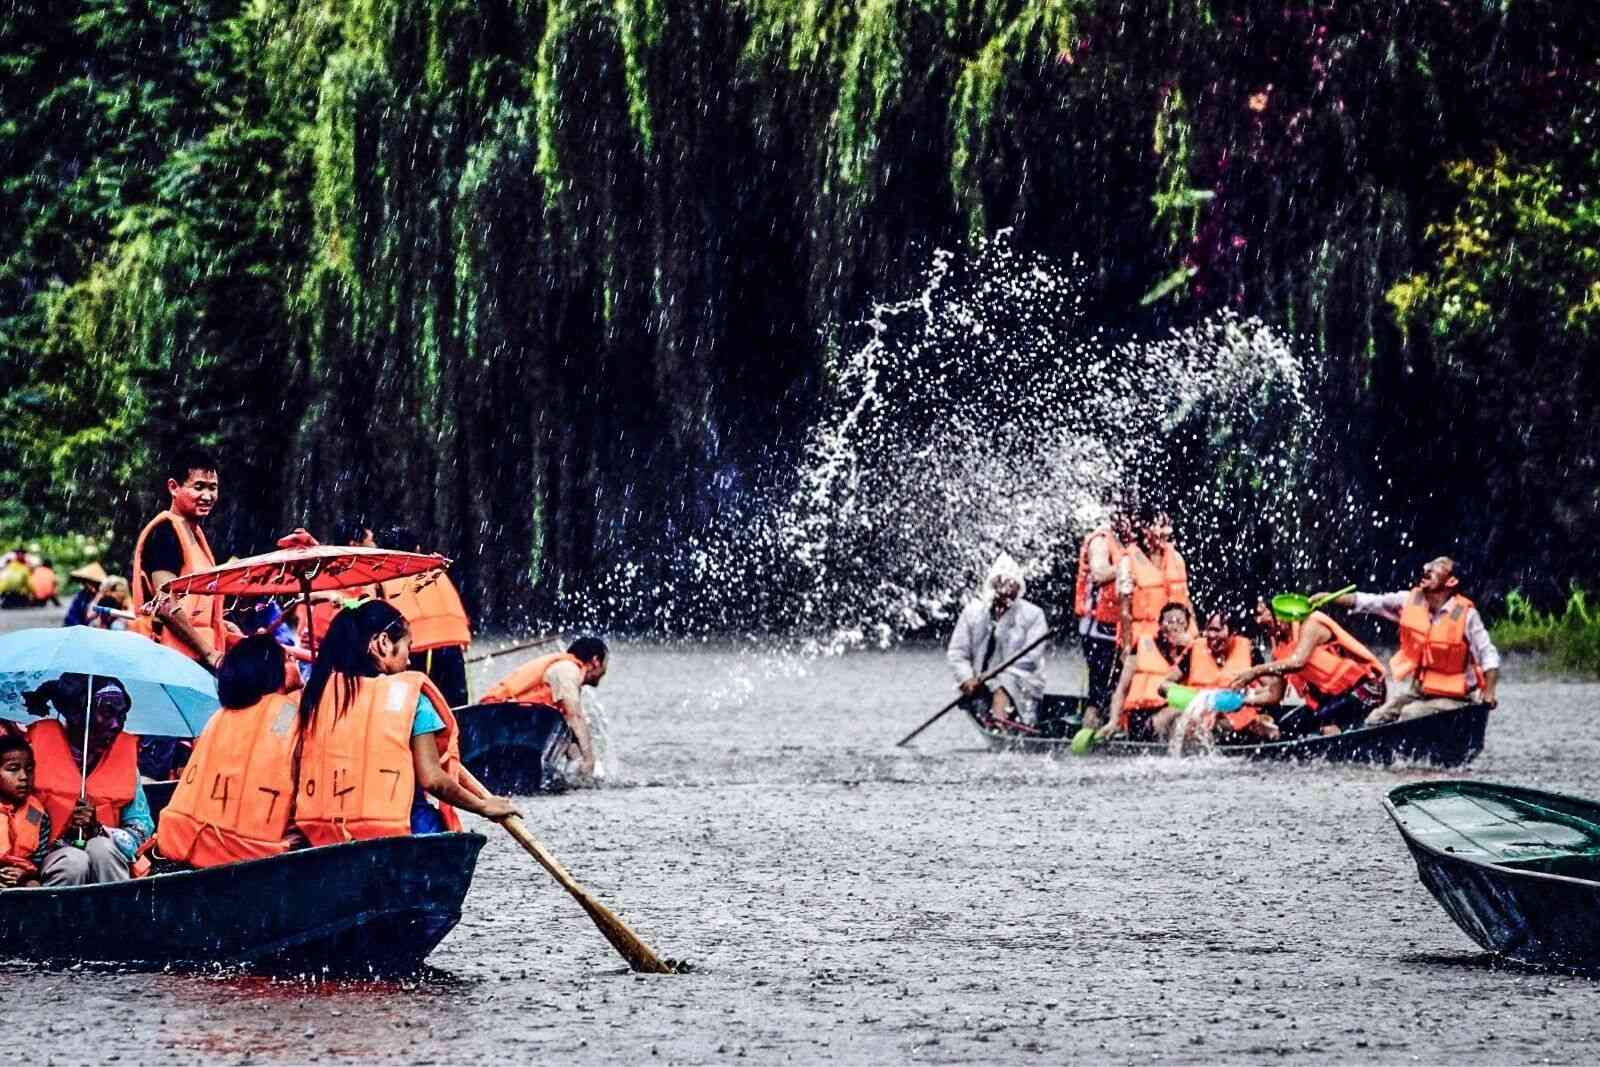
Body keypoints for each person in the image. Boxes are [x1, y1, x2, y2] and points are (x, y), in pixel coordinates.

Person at [294, 601, 517, 845]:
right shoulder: (412, 699)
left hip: (325, 836)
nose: (409, 661)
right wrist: (483, 806)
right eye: (407, 648)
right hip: (399, 834)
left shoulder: (312, 697)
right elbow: (433, 779)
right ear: (383, 643)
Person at [156, 636, 303, 866]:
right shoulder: (287, 714)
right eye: (288, 659)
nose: (296, 662)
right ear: (273, 672)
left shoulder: (219, 716)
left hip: (186, 843)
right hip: (251, 852)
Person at [1324, 557, 1500, 724]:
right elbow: (1370, 602)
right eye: (1428, 566)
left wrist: (1489, 693)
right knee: (1375, 719)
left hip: (1458, 697)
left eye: (1435, 568)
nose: (1427, 570)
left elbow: (1489, 656)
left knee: (1411, 714)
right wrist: (1329, 598)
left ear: (1451, 582)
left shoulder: (1465, 615)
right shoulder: (1411, 601)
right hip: (1421, 691)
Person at [24, 675, 153, 886]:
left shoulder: (126, 762)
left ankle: (118, 916)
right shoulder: (30, 755)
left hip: (109, 857)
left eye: (121, 716)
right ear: (76, 714)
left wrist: (100, 830)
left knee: (101, 848)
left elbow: (141, 827)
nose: (115, 725)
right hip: (46, 860)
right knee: (74, 861)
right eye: (107, 713)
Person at [1228, 597, 1386, 736]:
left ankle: (1347, 740)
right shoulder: (1279, 652)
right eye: (1255, 616)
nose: (1258, 621)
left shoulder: (1311, 624)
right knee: (1287, 726)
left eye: (1260, 613)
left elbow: (1298, 662)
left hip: (1367, 689)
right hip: (1333, 701)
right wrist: (1243, 700)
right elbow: (1274, 695)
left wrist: (1255, 672)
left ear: (1279, 612)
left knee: (1325, 722)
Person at [131, 447, 228, 668]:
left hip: (195, 656)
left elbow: (196, 607)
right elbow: (165, 604)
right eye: (198, 487)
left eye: (213, 488)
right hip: (173, 659)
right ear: (173, 487)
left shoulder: (194, 533)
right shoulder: (165, 532)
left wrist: (222, 626)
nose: (207, 496)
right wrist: (209, 652)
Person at [481, 636, 610, 777]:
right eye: (606, 663)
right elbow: (575, 717)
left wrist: (578, 759)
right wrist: (589, 760)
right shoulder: (568, 669)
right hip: (497, 714)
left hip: (506, 718)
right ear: (596, 661)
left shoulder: (567, 670)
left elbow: (570, 727)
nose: (605, 670)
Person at [947, 553, 1050, 729]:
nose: (1005, 594)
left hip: (1020, 679)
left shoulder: (1033, 615)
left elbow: (1031, 658)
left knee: (1002, 689)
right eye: (1000, 586)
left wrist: (997, 677)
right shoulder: (973, 613)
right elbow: (957, 653)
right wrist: (967, 678)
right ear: (992, 587)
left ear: (1018, 589)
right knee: (986, 692)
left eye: (1011, 587)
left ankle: (1002, 724)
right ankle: (994, 720)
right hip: (978, 681)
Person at [376, 526, 472, 707]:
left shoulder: (385, 576)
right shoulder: (436, 570)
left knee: (416, 705)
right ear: (418, 549)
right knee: (455, 707)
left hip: (414, 647)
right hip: (451, 642)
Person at [1073, 495, 1134, 733]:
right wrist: (1126, 568)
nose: (1128, 521)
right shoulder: (1100, 539)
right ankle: (1089, 732)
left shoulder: (1123, 543)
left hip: (1116, 628)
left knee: (1115, 685)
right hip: (1097, 627)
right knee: (1098, 690)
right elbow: (1098, 573)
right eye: (1123, 515)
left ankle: (1111, 727)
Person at [1120, 504, 1192, 645]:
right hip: (1144, 642)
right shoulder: (1128, 562)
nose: (1167, 531)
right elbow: (1125, 613)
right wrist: (1127, 649)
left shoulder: (1176, 558)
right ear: (1145, 529)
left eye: (1167, 525)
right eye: (1161, 526)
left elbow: (1188, 604)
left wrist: (1193, 638)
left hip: (1178, 640)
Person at [0, 734, 50, 888]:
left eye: (29, 769)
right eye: (13, 769)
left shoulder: (36, 813)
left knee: (34, 886)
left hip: (19, 878)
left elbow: (39, 858)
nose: (24, 777)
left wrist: (24, 873)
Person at [62, 562, 107, 626]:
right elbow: (71, 617)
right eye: (89, 583)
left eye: (95, 584)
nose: (92, 588)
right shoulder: (81, 596)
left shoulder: (106, 596)